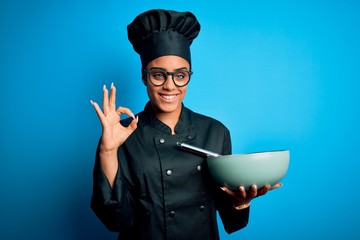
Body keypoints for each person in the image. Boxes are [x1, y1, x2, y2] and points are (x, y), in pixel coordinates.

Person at [90, 9, 282, 240]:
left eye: (180, 75)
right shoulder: (121, 134)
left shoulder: (215, 132)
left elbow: (230, 217)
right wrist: (108, 150)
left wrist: (241, 202)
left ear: (188, 76)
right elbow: (117, 220)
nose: (170, 86)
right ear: (144, 77)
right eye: (159, 75)